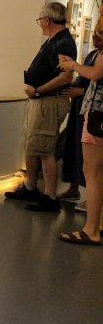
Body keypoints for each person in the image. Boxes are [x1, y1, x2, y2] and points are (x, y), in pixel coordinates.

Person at [4, 2, 76, 211]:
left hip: (48, 102)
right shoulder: (54, 40)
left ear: (46, 20)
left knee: (45, 148)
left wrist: (38, 90)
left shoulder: (63, 42)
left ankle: (50, 196)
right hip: (41, 101)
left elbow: (66, 76)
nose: (40, 24)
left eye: (40, 20)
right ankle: (31, 187)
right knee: (33, 144)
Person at [58, 15, 103, 244]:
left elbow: (96, 74)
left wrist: (74, 66)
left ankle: (91, 229)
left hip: (98, 116)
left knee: (92, 173)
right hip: (95, 115)